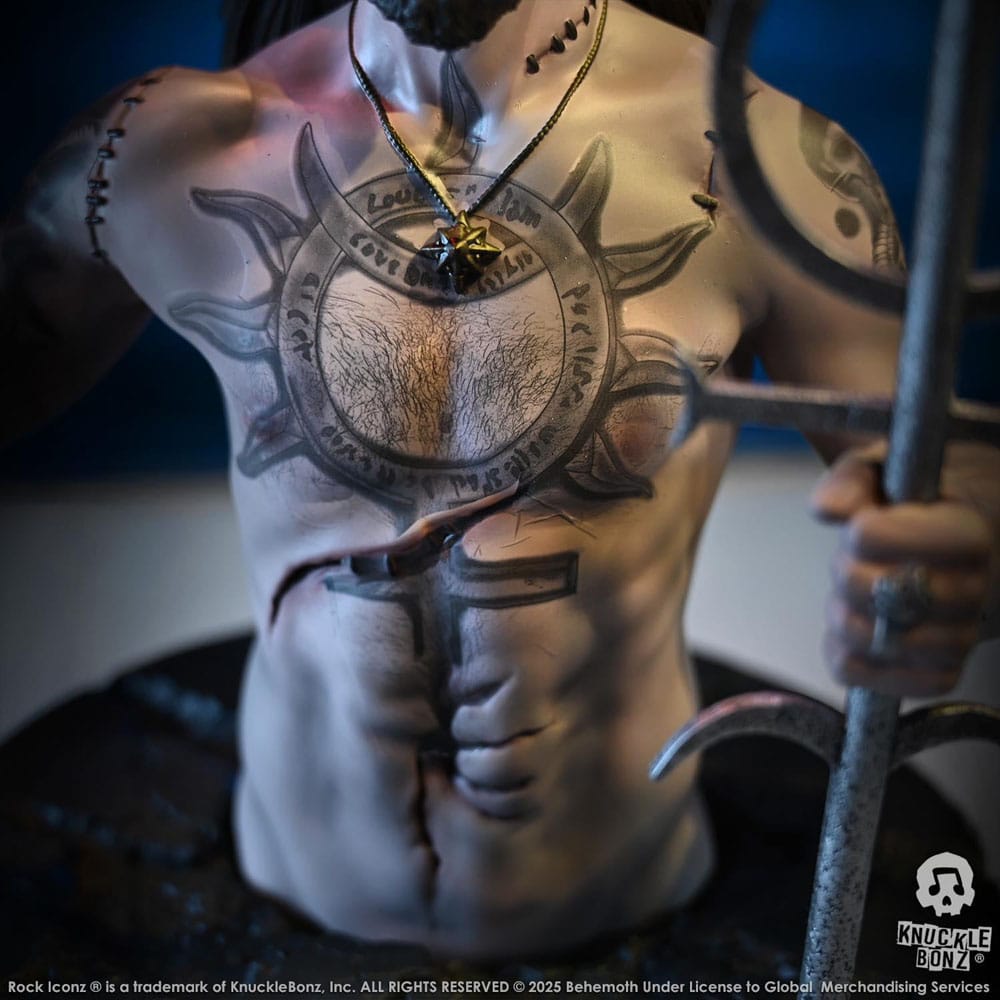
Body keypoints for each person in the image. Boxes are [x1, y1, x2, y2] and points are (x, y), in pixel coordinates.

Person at [1, 0, 996, 961]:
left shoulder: (755, 164)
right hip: (271, 894)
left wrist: (943, 564)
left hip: (634, 906)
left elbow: (953, 481)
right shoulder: (169, 152)